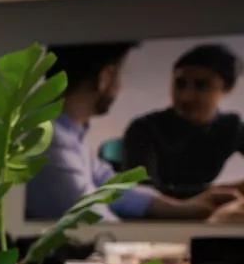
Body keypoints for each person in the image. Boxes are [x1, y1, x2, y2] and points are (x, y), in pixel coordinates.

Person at [23, 42, 241, 221]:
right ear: (106, 78)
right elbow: (94, 224)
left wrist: (186, 208)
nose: (186, 97)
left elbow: (106, 184)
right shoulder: (48, 143)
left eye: (202, 85)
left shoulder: (68, 133)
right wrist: (213, 223)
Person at [123, 43, 244, 200]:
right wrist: (220, 191)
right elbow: (142, 194)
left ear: (228, 88)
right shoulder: (144, 128)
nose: (186, 96)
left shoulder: (231, 127)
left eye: (202, 86)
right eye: (180, 84)